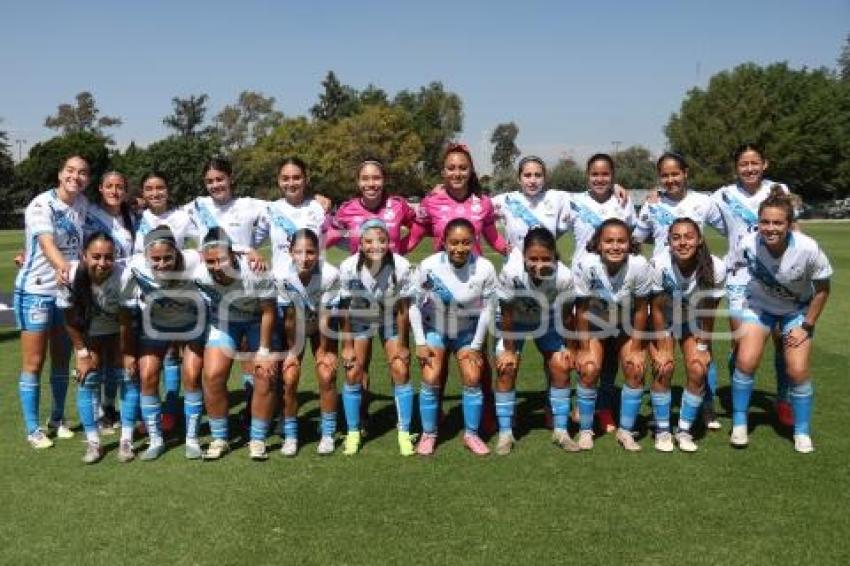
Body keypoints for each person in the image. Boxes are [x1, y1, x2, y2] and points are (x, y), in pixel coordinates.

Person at [726, 188, 831, 453]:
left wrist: (806, 325)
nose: (770, 228)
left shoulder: (808, 248)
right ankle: (740, 423)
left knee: (796, 370)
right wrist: (738, 310)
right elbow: (735, 273)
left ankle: (802, 431)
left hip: (795, 311)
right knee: (746, 360)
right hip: (758, 307)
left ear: (789, 224)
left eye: (777, 223)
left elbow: (822, 289)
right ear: (758, 222)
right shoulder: (749, 243)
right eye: (765, 222)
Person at [636, 152, 726, 428]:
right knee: (662, 353)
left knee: (702, 347)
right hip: (663, 283)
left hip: (696, 280)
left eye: (675, 173)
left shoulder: (703, 202)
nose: (671, 179)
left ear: (686, 172)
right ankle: (661, 414)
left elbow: (730, 229)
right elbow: (635, 239)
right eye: (665, 175)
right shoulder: (651, 205)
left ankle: (705, 405)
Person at [713, 144, 794, 427]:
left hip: (777, 276)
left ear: (765, 164)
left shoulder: (779, 191)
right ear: (736, 167)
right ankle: (739, 406)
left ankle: (783, 400)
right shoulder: (723, 195)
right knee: (741, 344)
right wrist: (656, 195)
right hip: (740, 277)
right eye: (743, 164)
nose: (749, 169)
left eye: (754, 163)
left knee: (781, 342)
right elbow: (689, 206)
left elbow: (793, 227)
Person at [15, 154, 90, 448]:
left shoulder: (83, 204)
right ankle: (33, 429)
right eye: (70, 171)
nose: (76, 177)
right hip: (36, 290)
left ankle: (57, 420)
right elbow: (46, 244)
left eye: (82, 173)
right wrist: (64, 269)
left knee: (62, 359)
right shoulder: (40, 205)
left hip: (66, 292)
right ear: (60, 174)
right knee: (34, 361)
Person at [409, 218, 498, 456]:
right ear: (444, 242)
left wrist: (476, 346)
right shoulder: (428, 266)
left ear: (474, 242)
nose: (460, 248)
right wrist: (419, 342)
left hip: (466, 332)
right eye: (454, 242)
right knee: (431, 374)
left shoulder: (485, 268)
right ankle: (429, 434)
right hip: (434, 330)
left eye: (466, 242)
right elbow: (414, 306)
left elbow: (488, 310)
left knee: (472, 375)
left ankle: (471, 434)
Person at [563, 153, 637, 434]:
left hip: (616, 286)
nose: (600, 179)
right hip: (584, 286)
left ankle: (604, 407)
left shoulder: (623, 202)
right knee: (582, 350)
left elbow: (636, 236)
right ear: (586, 175)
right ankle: (581, 405)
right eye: (595, 174)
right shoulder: (573, 201)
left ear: (613, 176)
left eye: (605, 174)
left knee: (608, 353)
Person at [193, 228, 278, 460]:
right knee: (212, 375)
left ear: (232, 255)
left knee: (264, 373)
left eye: (221, 259)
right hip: (224, 322)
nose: (216, 266)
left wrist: (262, 351)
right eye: (210, 261)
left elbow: (269, 312)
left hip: (257, 321)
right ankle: (220, 439)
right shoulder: (199, 272)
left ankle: (257, 439)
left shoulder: (256, 271)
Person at [124, 226, 206, 460]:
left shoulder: (192, 259)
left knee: (191, 374)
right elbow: (102, 264)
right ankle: (156, 440)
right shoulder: (135, 264)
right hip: (155, 326)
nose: (161, 264)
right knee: (147, 374)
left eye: (167, 258)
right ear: (146, 256)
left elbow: (220, 252)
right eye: (156, 259)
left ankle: (192, 439)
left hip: (191, 324)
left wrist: (249, 253)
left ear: (177, 253)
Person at [57, 232, 139, 463]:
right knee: (87, 377)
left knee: (127, 375)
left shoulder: (124, 277)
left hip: (117, 329)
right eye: (96, 256)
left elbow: (125, 320)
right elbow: (69, 317)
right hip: (89, 330)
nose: (103, 263)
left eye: (108, 257)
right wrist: (82, 354)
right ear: (84, 256)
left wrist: (127, 354)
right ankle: (94, 443)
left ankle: (126, 440)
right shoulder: (70, 275)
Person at [338, 219, 417, 456]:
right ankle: (353, 430)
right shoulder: (348, 267)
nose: (376, 246)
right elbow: (344, 308)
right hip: (360, 319)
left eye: (382, 240)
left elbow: (403, 309)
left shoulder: (401, 265)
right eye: (369, 241)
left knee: (401, 368)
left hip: (391, 319)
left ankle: (404, 431)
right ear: (360, 244)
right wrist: (348, 346)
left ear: (390, 242)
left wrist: (403, 345)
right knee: (353, 370)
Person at [495, 226, 575, 455]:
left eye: (545, 259)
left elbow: (567, 315)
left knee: (561, 365)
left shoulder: (564, 276)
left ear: (555, 257)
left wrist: (570, 348)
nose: (539, 265)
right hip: (513, 322)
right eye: (533, 259)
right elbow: (507, 313)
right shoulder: (511, 272)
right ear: (523, 256)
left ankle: (561, 430)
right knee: (506, 367)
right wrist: (509, 351)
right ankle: (505, 432)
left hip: (546, 320)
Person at [573, 218, 651, 451]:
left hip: (626, 324)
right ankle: (586, 430)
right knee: (588, 368)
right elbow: (582, 309)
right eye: (608, 241)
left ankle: (625, 431)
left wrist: (637, 349)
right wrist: (584, 348)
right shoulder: (587, 264)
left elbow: (640, 309)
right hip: (596, 324)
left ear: (630, 244)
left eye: (621, 241)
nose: (615, 246)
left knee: (635, 368)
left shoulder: (638, 265)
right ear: (598, 244)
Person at [648, 218, 725, 452]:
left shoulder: (716, 266)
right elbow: (658, 308)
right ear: (668, 242)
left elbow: (710, 309)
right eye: (676, 237)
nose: (683, 243)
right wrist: (662, 348)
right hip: (663, 320)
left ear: (699, 240)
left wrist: (703, 347)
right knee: (665, 367)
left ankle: (684, 430)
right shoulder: (659, 264)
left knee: (698, 368)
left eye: (689, 237)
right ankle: (662, 430)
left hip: (692, 321)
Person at [133, 171, 195, 432]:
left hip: (175, 289)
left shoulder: (183, 217)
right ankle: (143, 415)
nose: (155, 193)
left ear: (168, 190)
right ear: (142, 193)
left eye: (160, 187)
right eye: (149, 188)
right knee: (143, 358)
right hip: (142, 290)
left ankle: (170, 410)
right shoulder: (134, 216)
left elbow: (210, 239)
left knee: (172, 353)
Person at [275, 229, 340, 456]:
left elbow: (326, 316)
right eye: (299, 252)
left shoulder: (330, 274)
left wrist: (324, 352)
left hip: (323, 326)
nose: (305, 258)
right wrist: (293, 352)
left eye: (310, 252)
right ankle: (291, 434)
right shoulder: (282, 275)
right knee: (290, 376)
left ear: (319, 252)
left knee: (326, 373)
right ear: (290, 252)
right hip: (297, 327)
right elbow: (291, 318)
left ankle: (328, 433)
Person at [82, 171, 137, 432]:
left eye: (120, 186)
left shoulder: (131, 217)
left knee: (117, 352)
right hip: (95, 288)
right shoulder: (90, 214)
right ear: (101, 189)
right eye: (109, 186)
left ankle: (109, 407)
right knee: (97, 355)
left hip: (124, 287)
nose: (115, 191)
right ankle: (95, 413)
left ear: (125, 191)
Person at [406, 143, 508, 255]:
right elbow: (412, 239)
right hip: (442, 272)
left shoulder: (484, 202)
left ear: (471, 172)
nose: (457, 174)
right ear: (443, 172)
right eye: (451, 168)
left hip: (474, 272)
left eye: (463, 168)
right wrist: (389, 254)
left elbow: (495, 239)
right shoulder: (430, 202)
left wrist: (518, 255)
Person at [324, 159, 416, 254]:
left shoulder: (399, 206)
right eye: (364, 178)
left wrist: (401, 250)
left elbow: (418, 227)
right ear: (358, 181)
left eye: (376, 178)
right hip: (359, 268)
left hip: (392, 268)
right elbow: (330, 236)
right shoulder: (346, 209)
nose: (371, 184)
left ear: (385, 180)